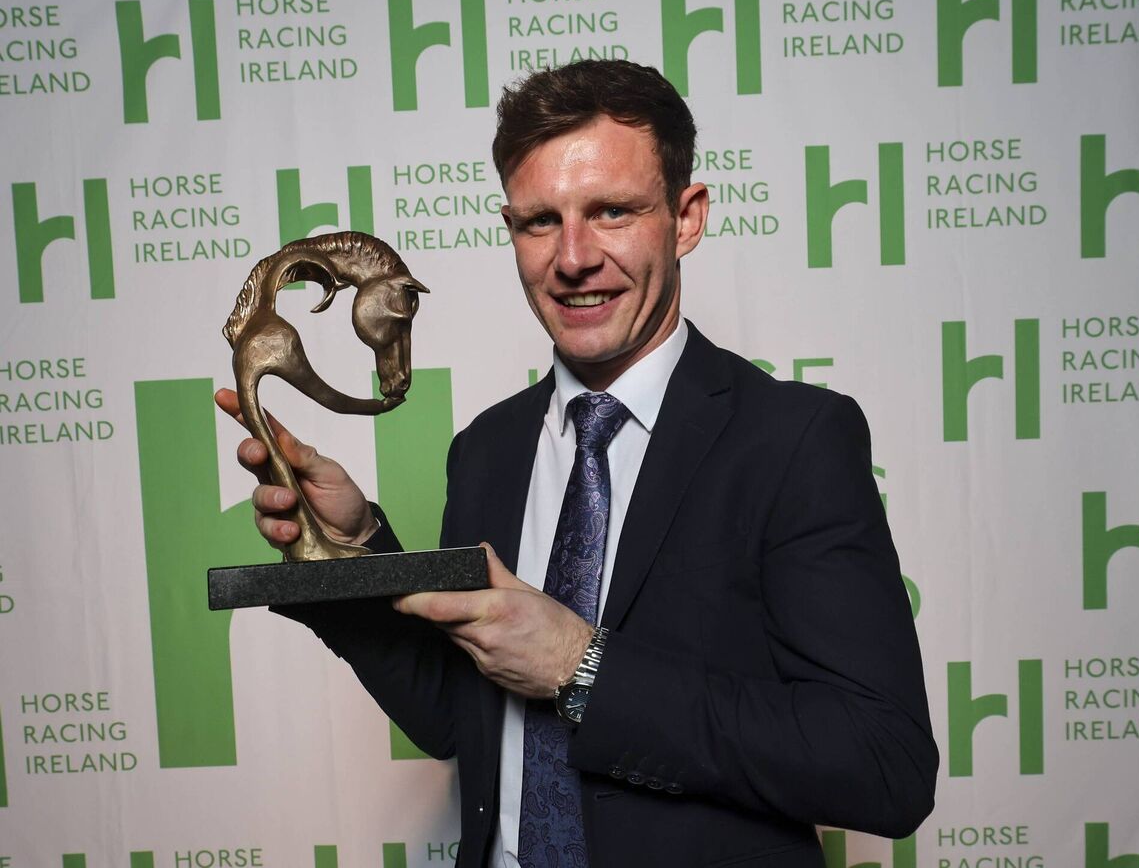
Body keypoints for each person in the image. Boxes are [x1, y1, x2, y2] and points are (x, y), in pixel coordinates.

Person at [216, 59, 937, 868]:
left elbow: (887, 767)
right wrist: (351, 554)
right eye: (538, 221)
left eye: (612, 211)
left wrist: (580, 665)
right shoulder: (487, 449)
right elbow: (463, 721)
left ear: (686, 216)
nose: (573, 257)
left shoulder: (793, 440)